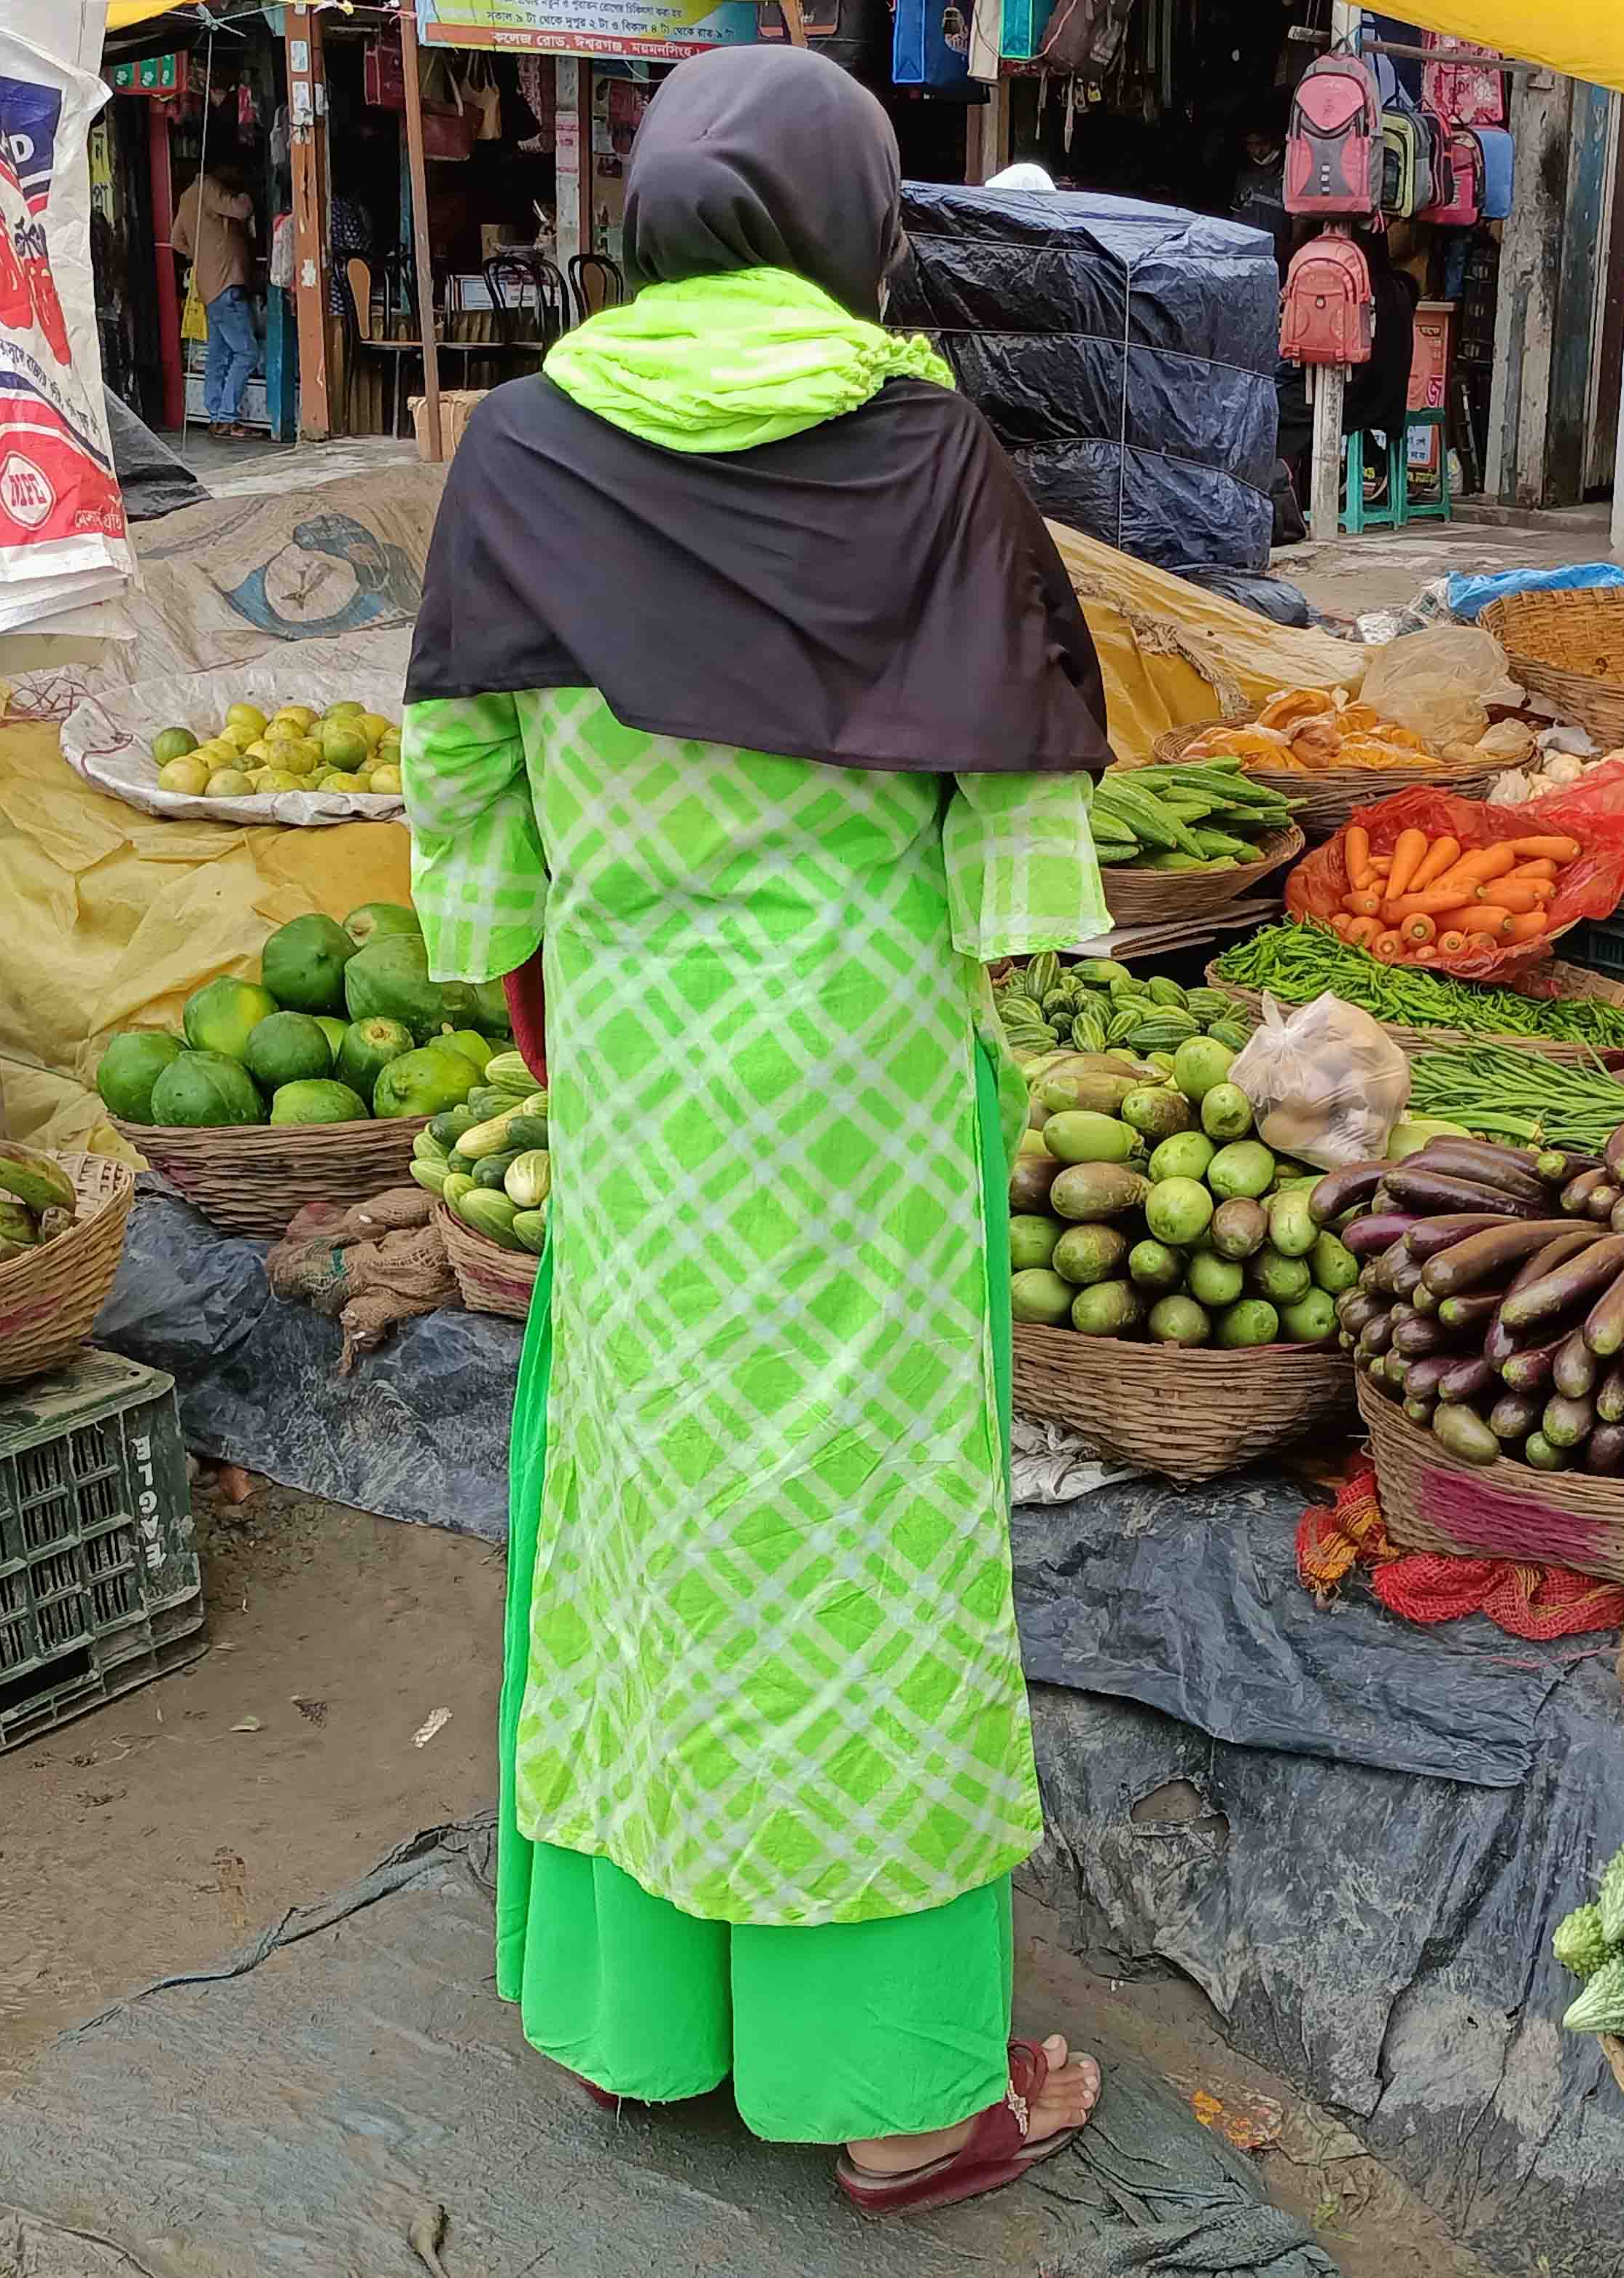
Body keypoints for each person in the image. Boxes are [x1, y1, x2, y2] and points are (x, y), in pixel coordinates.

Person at [402, 42, 1111, 2215]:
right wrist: (1001, 1004)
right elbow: (1016, 838)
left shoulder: (516, 450)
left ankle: (647, 2023)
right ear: (850, 224)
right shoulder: (927, 447)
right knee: (863, 1564)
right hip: (865, 1093)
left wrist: (564, 962)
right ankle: (894, 2089)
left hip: (635, 1073)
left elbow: (465, 824)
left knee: (655, 1522)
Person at [173, 157, 259, 437]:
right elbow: (240, 210)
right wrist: (248, 195)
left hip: (209, 287)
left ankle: (215, 414)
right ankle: (227, 417)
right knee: (247, 353)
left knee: (219, 355)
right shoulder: (208, 187)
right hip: (226, 282)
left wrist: (201, 255)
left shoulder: (187, 196)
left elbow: (177, 241)